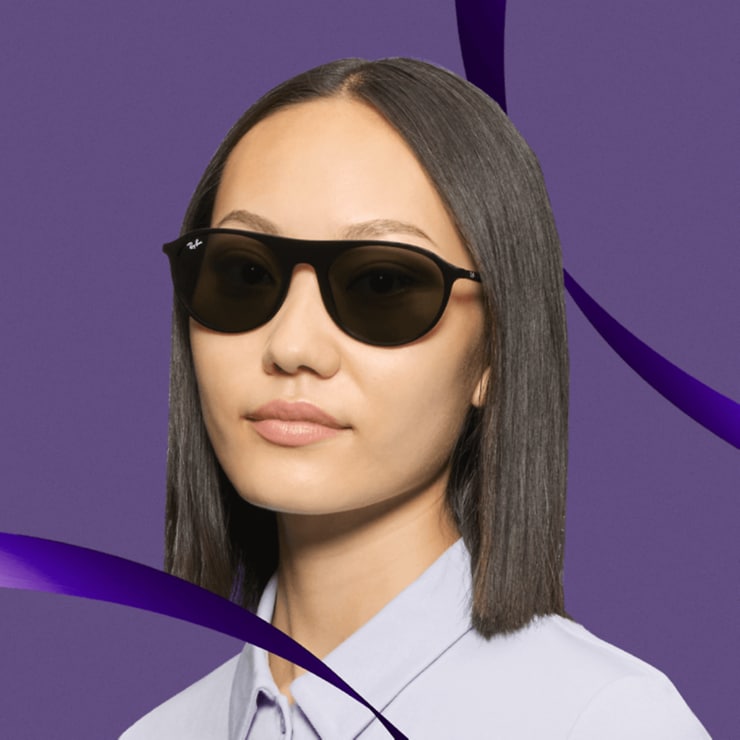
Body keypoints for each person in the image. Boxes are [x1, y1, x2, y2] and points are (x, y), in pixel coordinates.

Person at [121, 57, 709, 739]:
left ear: (494, 353)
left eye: (382, 283)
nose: (292, 345)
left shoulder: (601, 722)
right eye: (246, 273)